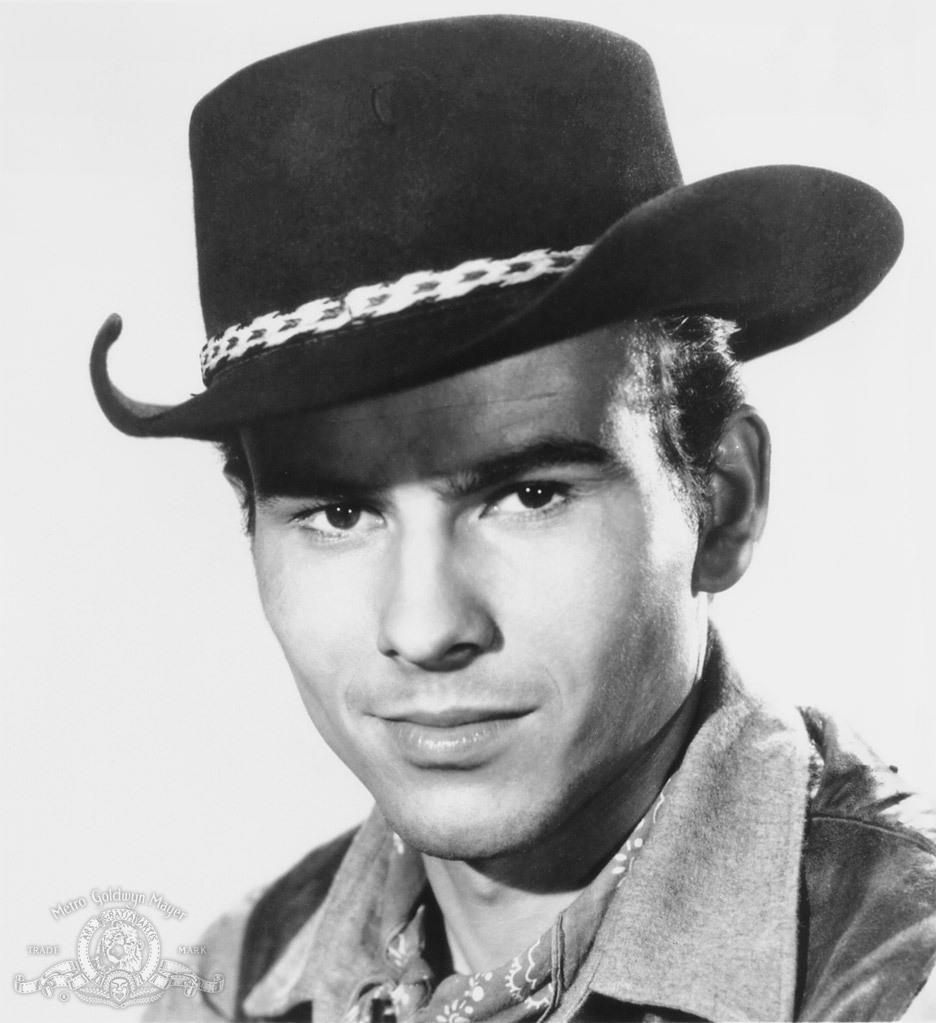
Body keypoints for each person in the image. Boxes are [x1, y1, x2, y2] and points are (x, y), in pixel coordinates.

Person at [90, 15, 936, 1022]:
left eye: (529, 495)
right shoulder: (229, 983)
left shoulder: (900, 971)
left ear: (722, 498)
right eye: (339, 512)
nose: (425, 627)